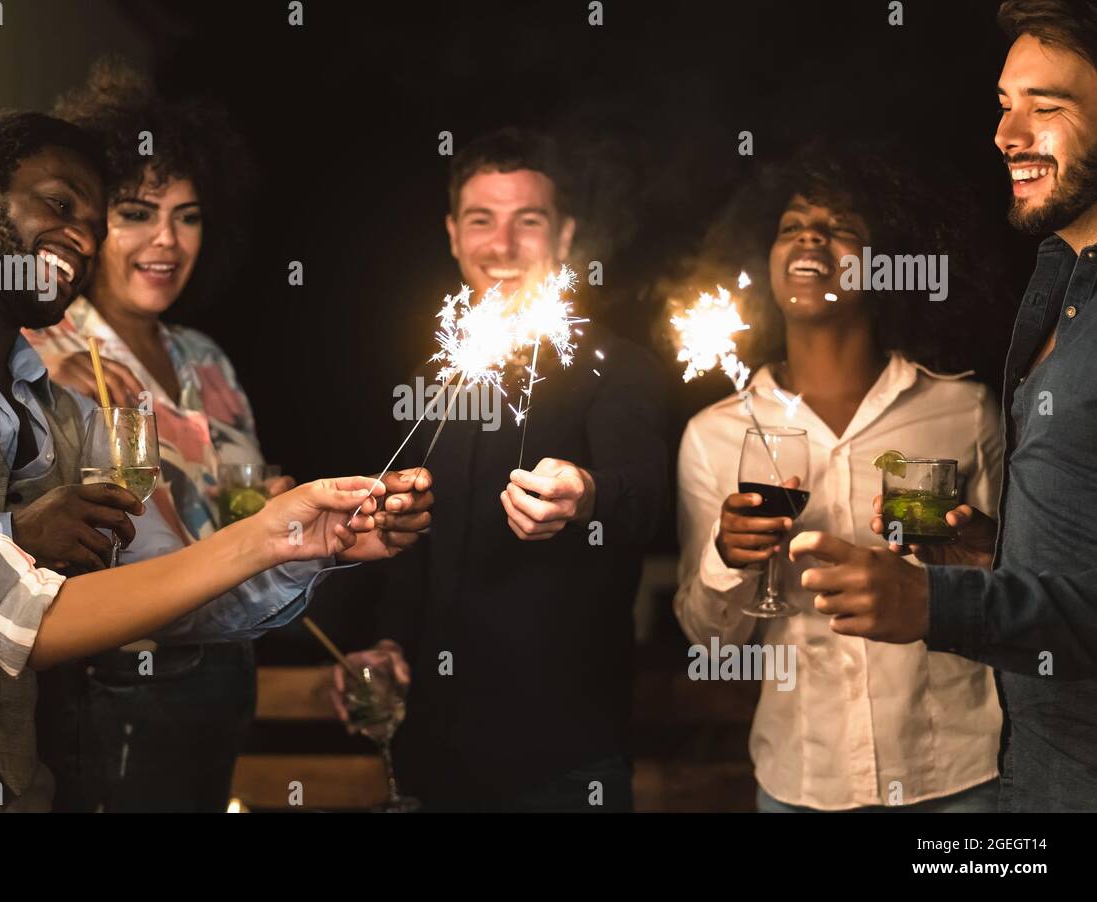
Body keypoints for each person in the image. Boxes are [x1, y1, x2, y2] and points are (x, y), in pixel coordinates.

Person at [0, 34, 421, 812]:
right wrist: (17, 533)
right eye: (63, 207)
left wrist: (301, 537)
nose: (84, 240)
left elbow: (88, 596)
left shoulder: (29, 414)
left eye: (95, 222)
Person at [19, 61, 432, 811]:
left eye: (189, 215)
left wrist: (320, 528)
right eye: (138, 212)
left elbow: (243, 524)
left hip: (223, 690)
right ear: (87, 220)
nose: (167, 241)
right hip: (110, 703)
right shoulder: (42, 357)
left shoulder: (205, 361)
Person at [788, 0, 1097, 812]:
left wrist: (936, 602)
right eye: (1005, 104)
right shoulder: (1056, 294)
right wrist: (997, 564)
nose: (1007, 134)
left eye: (1048, 105)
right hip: (1034, 768)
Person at [337, 128, 669, 811]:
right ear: (454, 235)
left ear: (565, 236)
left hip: (568, 760)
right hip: (429, 756)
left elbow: (651, 500)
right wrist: (389, 643)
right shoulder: (431, 379)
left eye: (529, 221)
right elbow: (409, 549)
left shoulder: (617, 366)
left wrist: (587, 495)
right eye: (482, 220)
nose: (503, 245)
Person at [673, 143, 1006, 812]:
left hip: (959, 775)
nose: (811, 237)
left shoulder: (963, 409)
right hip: (803, 780)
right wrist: (725, 558)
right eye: (792, 225)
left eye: (841, 227)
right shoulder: (714, 434)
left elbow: (1016, 592)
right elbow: (710, 639)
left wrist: (965, 559)